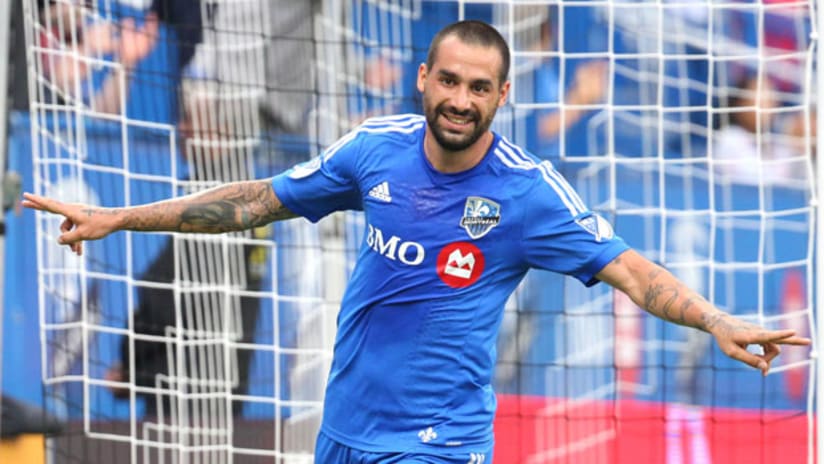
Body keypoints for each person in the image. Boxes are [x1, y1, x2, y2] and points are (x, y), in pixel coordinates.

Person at [23, 20, 810, 463]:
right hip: (343, 429)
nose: (461, 100)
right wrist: (121, 217)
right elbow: (256, 201)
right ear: (423, 78)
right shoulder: (374, 150)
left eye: (479, 88)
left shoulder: (529, 192)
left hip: (440, 443)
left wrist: (714, 319)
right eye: (449, 81)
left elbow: (634, 273)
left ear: (502, 95)